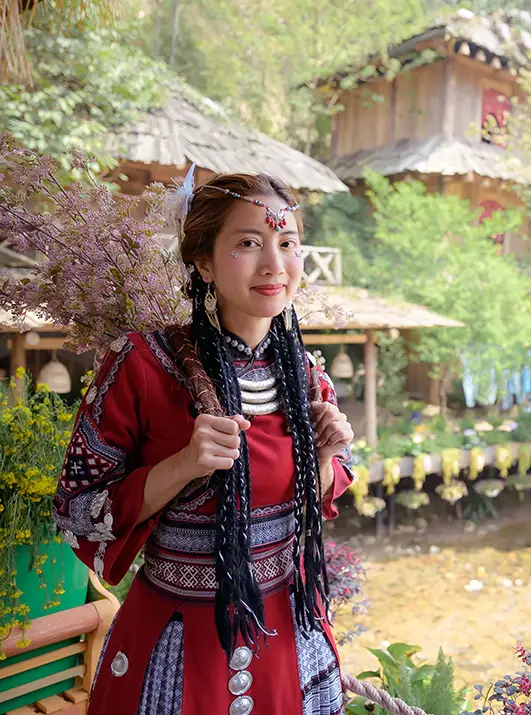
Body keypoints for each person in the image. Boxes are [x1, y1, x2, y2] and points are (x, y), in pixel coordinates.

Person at [52, 172, 355, 715]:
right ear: (204, 263)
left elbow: (316, 502)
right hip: (177, 639)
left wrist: (325, 457)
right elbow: (77, 508)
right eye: (248, 243)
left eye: (287, 244)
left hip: (290, 634)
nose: (273, 265)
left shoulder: (306, 376)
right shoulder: (143, 364)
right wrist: (186, 464)